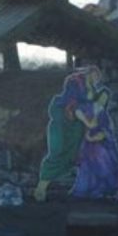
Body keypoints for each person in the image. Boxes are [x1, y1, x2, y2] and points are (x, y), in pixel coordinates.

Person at [33, 69, 89, 201]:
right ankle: (41, 188)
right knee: (55, 155)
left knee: (70, 157)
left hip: (74, 137)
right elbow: (56, 115)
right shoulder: (58, 101)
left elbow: (84, 120)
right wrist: (71, 114)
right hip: (59, 132)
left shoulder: (83, 104)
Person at [70, 66, 118, 198]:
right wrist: (88, 128)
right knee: (89, 162)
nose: (103, 99)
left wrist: (100, 136)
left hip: (101, 142)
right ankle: (88, 190)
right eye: (102, 97)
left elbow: (108, 129)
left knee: (104, 159)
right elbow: (77, 111)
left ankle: (103, 189)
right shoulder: (88, 107)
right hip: (89, 142)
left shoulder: (104, 115)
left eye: (106, 98)